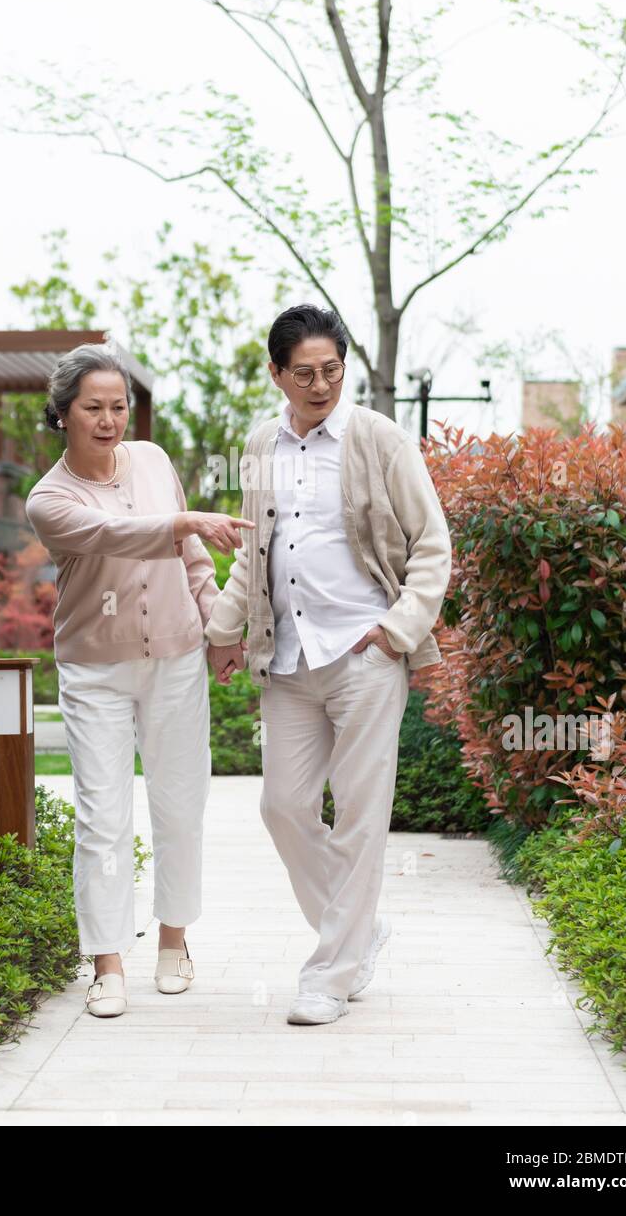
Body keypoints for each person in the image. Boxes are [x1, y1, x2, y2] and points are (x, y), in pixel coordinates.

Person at [204, 304, 452, 1026]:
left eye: (332, 371)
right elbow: (252, 562)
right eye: (304, 373)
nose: (320, 385)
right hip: (287, 659)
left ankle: (330, 974)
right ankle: (358, 932)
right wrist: (223, 632)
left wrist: (396, 628)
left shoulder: (378, 439)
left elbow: (431, 545)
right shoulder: (260, 445)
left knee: (360, 818)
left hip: (364, 655)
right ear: (276, 373)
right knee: (281, 807)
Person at [25, 342, 253, 1018]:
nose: (108, 419)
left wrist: (217, 630)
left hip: (177, 660)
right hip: (95, 668)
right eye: (92, 408)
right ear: (62, 414)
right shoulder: (50, 499)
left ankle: (174, 944)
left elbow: (189, 558)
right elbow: (115, 535)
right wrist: (187, 520)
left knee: (181, 805)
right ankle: (105, 963)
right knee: (103, 818)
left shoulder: (153, 461)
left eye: (118, 406)